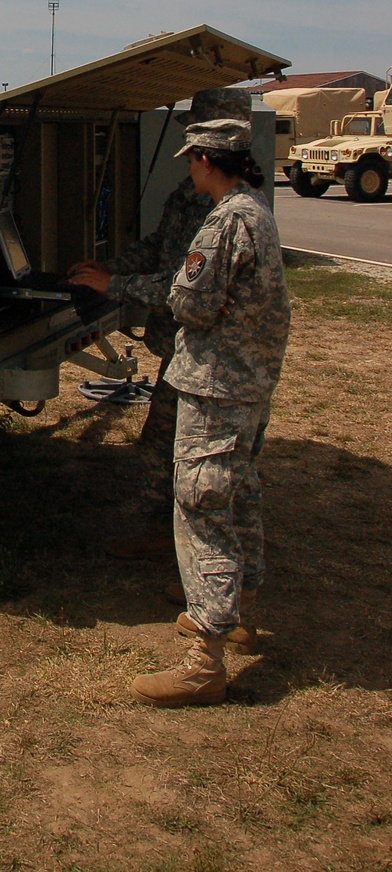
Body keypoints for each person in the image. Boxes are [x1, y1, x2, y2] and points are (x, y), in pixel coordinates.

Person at [131, 117, 290, 707]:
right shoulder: (258, 210)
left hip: (216, 386)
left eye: (191, 159)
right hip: (248, 384)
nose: (188, 168)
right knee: (239, 492)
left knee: (201, 506)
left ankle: (205, 658)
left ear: (204, 158)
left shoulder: (222, 223)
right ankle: (242, 612)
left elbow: (187, 303)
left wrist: (188, 295)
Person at [68, 88, 252, 557]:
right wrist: (109, 267)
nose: (188, 159)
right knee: (176, 452)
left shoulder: (227, 216)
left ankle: (178, 543)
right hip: (186, 351)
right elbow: (159, 246)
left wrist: (115, 286)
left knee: (172, 452)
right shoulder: (193, 198)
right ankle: (177, 537)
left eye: (194, 150)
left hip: (210, 357)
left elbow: (185, 290)